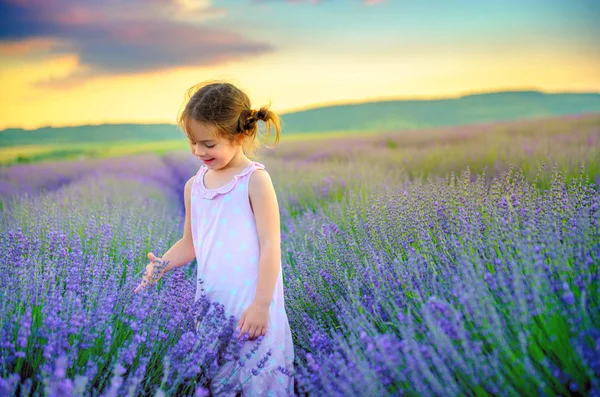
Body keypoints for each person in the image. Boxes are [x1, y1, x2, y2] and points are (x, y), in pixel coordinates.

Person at [134, 81, 295, 396]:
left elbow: (271, 246)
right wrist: (160, 266)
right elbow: (190, 244)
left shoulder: (255, 181)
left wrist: (262, 304)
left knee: (260, 380)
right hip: (211, 306)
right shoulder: (194, 186)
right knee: (219, 381)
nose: (198, 152)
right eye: (193, 142)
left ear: (240, 135)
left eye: (208, 144)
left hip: (252, 304)